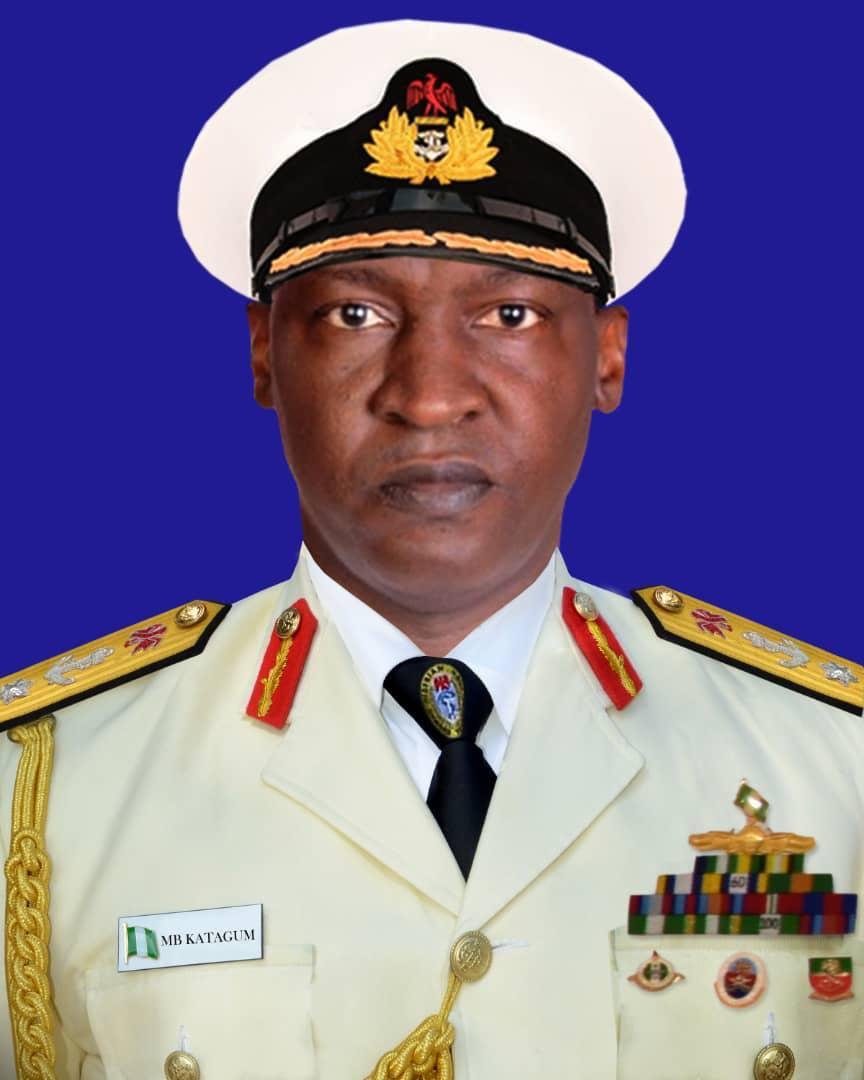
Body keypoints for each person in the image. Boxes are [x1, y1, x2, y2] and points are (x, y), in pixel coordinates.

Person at [1, 19, 862, 1080]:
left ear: (608, 358)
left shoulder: (831, 763)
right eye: (356, 314)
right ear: (264, 353)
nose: (431, 395)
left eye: (511, 314)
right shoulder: (48, 787)